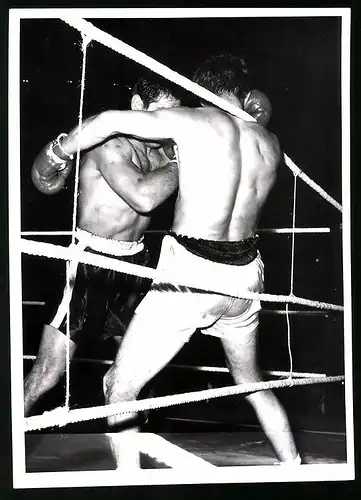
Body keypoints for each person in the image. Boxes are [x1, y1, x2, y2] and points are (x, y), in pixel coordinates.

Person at [32, 53, 299, 467]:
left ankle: (128, 482)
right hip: (247, 277)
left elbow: (107, 121)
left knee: (118, 387)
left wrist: (58, 151)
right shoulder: (270, 142)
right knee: (251, 382)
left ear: (197, 89)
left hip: (192, 277)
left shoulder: (190, 122)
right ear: (242, 93)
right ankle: (293, 464)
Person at [25, 77, 182, 417]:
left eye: (173, 118)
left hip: (136, 266)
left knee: (134, 377)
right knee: (48, 374)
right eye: (161, 116)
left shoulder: (161, 152)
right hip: (89, 264)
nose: (166, 127)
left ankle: (128, 460)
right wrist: (180, 165)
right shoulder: (109, 145)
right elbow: (144, 197)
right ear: (138, 107)